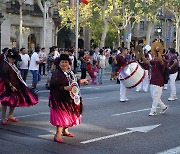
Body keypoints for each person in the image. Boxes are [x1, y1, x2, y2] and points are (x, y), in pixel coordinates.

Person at [49, 54, 88, 143]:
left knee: (69, 114)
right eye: (62, 62)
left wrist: (81, 81)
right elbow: (53, 86)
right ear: (59, 63)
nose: (64, 64)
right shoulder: (56, 74)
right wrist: (65, 88)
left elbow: (73, 82)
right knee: (61, 116)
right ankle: (57, 135)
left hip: (70, 97)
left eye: (66, 62)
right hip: (59, 99)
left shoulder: (70, 72)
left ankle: (65, 131)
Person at [0, 49, 38, 125]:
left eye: (14, 59)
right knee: (5, 102)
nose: (13, 60)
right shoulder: (5, 65)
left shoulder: (12, 64)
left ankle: (10, 115)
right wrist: (11, 86)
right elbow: (5, 77)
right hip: (7, 86)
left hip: (15, 84)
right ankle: (3, 118)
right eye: (12, 58)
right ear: (8, 57)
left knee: (14, 100)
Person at [142, 46, 168, 116]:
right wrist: (141, 54)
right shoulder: (154, 62)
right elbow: (146, 61)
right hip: (152, 81)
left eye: (155, 55)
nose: (153, 56)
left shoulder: (162, 63)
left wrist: (158, 52)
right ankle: (164, 107)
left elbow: (160, 59)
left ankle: (153, 111)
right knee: (155, 97)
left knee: (156, 97)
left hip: (159, 82)